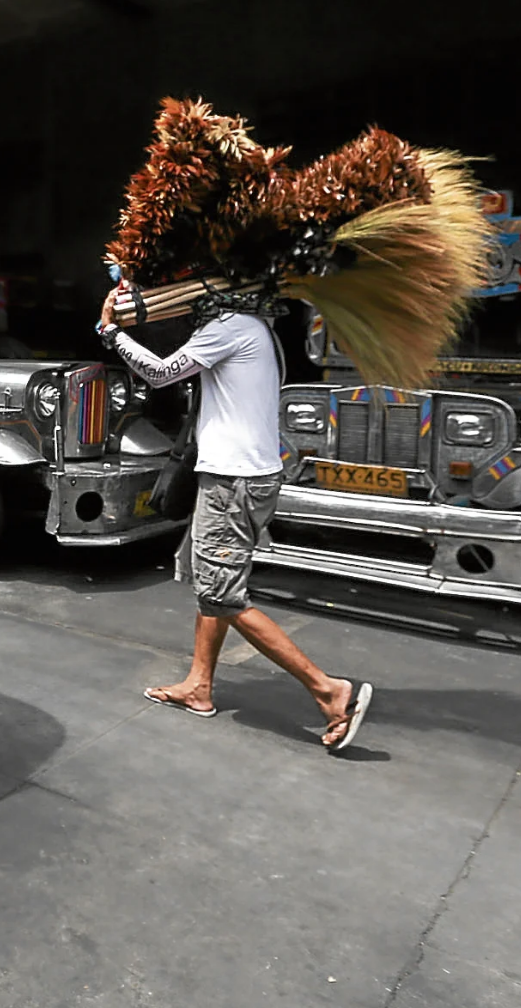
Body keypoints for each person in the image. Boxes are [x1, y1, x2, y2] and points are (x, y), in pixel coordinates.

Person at [98, 285, 373, 752]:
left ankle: (329, 691)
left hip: (233, 482)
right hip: (244, 477)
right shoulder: (255, 329)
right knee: (213, 582)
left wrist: (111, 333)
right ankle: (199, 686)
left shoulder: (228, 328)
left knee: (220, 591)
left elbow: (160, 373)